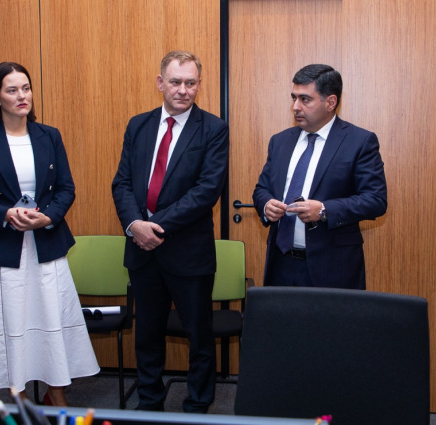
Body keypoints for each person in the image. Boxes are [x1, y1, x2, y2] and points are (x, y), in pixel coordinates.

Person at [0, 62, 99, 406]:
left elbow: (66, 188)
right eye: (12, 90)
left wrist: (47, 217)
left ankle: (56, 393)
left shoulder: (49, 135)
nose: (22, 96)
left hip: (45, 243)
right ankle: (18, 397)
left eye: (26, 88)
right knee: (10, 324)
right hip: (0, 248)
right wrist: (5, 214)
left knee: (51, 318)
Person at [111, 50, 229, 413]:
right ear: (160, 83)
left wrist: (154, 227)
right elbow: (122, 182)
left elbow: (206, 191)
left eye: (191, 83)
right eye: (176, 82)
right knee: (147, 333)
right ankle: (150, 401)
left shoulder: (213, 129)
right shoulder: (138, 125)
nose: (183, 90)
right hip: (142, 251)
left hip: (188, 252)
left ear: (199, 85)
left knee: (199, 335)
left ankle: (198, 405)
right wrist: (135, 225)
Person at [252, 64, 387, 289]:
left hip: (333, 268)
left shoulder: (359, 142)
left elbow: (376, 200)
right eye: (294, 98)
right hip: (281, 265)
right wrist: (266, 205)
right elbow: (262, 189)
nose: (296, 107)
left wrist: (324, 210)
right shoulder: (280, 141)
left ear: (330, 102)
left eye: (305, 99)